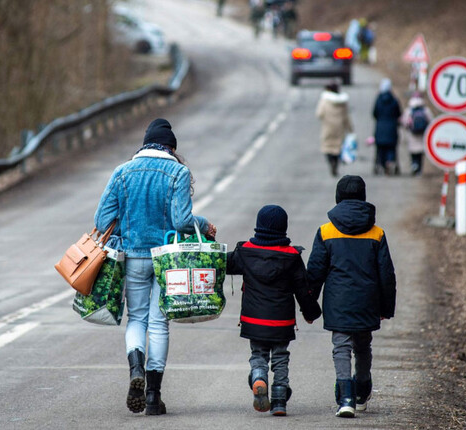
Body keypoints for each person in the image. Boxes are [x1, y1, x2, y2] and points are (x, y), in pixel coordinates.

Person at [94, 118, 217, 416]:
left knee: (136, 319)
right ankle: (153, 396)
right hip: (167, 260)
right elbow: (183, 223)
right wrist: (204, 225)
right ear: (171, 147)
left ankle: (135, 367)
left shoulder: (121, 172)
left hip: (133, 256)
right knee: (160, 322)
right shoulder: (178, 171)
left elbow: (101, 222)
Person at [305, 175, 396, 418]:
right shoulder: (376, 233)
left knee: (341, 347)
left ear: (338, 197)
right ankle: (362, 389)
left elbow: (315, 272)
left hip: (338, 301)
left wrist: (309, 304)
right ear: (363, 197)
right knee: (363, 345)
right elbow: (386, 274)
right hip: (368, 301)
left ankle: (345, 397)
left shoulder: (326, 231)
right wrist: (386, 307)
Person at [226, 205, 322, 416]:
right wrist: (311, 312)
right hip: (282, 321)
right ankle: (279, 400)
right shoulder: (292, 256)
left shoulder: (245, 252)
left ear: (258, 226)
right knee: (280, 357)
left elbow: (224, 263)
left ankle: (259, 377)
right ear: (284, 228)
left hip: (254, 320)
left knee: (258, 354)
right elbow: (302, 289)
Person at [316, 82, 353, 177]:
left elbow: (319, 114)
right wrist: (350, 130)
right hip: (339, 128)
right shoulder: (343, 102)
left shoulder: (324, 101)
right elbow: (346, 117)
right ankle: (336, 164)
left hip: (328, 128)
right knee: (338, 148)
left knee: (328, 147)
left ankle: (331, 162)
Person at [372, 78, 402, 176]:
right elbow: (399, 113)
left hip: (380, 128)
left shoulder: (378, 100)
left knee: (381, 149)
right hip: (392, 128)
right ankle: (390, 162)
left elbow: (374, 113)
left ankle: (381, 164)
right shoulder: (394, 100)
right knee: (391, 148)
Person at [400, 93, 433, 175]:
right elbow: (431, 121)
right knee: (420, 153)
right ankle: (419, 169)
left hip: (412, 134)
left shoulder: (409, 110)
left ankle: (414, 165)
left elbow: (405, 122)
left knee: (413, 152)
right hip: (422, 134)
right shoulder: (425, 110)